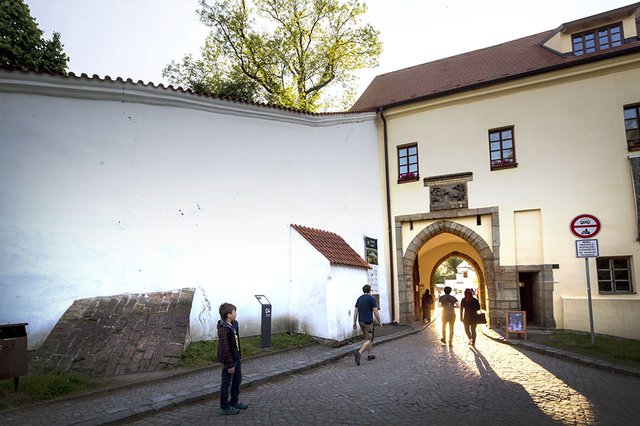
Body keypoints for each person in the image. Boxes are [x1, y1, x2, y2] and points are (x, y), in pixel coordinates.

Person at [217, 302, 248, 415]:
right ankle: (225, 407)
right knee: (226, 383)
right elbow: (225, 349)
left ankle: (234, 402)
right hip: (229, 361)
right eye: (234, 312)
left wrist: (238, 357)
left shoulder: (234, 324)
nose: (236, 314)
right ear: (229, 315)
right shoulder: (223, 329)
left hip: (236, 358)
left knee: (237, 380)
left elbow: (236, 342)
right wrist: (230, 365)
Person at [353, 284, 383, 365]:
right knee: (370, 340)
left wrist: (354, 322)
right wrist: (379, 321)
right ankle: (359, 353)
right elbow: (375, 311)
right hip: (368, 322)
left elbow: (356, 311)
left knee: (367, 338)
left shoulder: (359, 299)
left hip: (360, 321)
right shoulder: (372, 299)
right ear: (370, 290)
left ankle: (370, 355)